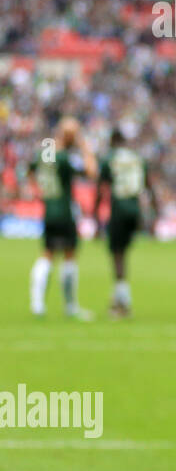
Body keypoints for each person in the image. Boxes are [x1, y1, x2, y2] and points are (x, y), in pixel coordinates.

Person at [29, 117, 96, 320]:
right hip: (65, 212)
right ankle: (70, 306)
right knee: (68, 256)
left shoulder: (45, 152)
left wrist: (41, 193)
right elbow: (91, 173)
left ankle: (37, 304)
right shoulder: (66, 158)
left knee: (47, 254)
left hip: (49, 210)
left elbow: (32, 171)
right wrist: (85, 148)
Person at [93, 129, 154, 318]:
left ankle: (123, 303)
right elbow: (149, 187)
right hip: (135, 211)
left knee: (117, 255)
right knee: (123, 254)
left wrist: (96, 217)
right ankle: (117, 299)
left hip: (119, 209)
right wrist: (154, 214)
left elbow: (101, 189)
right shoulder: (137, 159)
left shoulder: (110, 159)